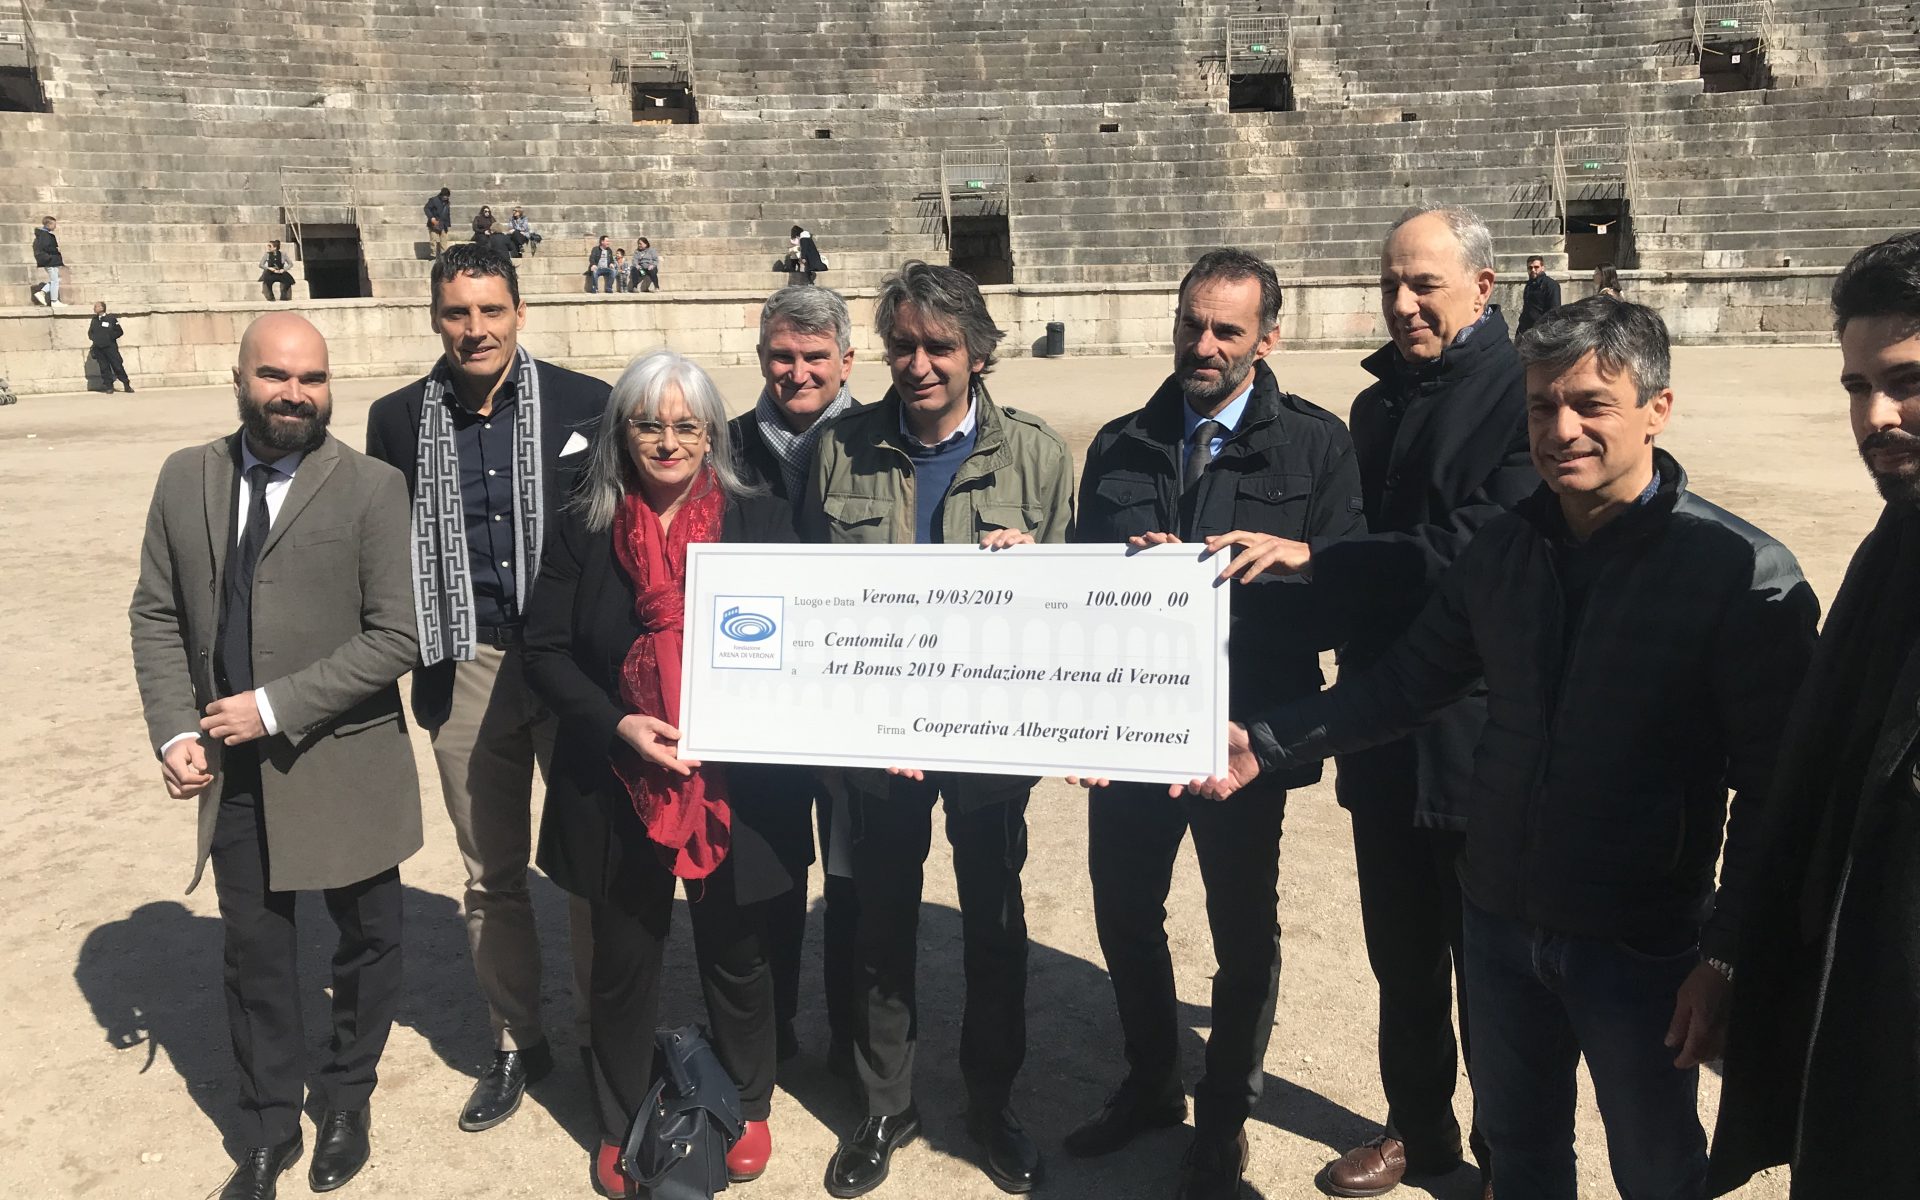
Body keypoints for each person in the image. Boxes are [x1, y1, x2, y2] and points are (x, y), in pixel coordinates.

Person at [1188, 296, 1818, 1200]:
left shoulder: (1739, 573)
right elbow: (1407, 685)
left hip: (1639, 941)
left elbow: (1777, 792)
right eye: (1541, 406)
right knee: (1520, 1157)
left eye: (1591, 405)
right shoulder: (1503, 550)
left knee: (1656, 1168)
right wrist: (1265, 741)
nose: (1560, 431)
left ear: (1658, 409)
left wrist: (1724, 958)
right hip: (1498, 919)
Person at [1203, 205, 1534, 1199]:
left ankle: (1511, 1158)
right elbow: (1352, 557)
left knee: (1492, 970)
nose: (1403, 302)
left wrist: (1319, 558)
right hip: (1381, 725)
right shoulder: (1377, 404)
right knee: (1402, 957)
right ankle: (1420, 1134)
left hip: (1478, 725)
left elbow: (1479, 548)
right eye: (1391, 283)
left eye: (1424, 283)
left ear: (1483, 286)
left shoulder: (1522, 392)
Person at [1065, 248, 1364, 1200]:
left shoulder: (1317, 445)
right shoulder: (1120, 443)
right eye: (1192, 324)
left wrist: (1290, 560)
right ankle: (1153, 1082)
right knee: (1124, 913)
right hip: (1131, 727)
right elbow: (1075, 591)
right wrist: (1135, 574)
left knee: (1241, 930)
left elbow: (1353, 594)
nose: (1204, 345)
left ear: (1267, 338)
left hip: (1242, 737)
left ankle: (1224, 1116)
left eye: (1227, 330)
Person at [128, 312, 423, 1200]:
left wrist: (271, 707)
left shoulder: (372, 487)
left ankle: (347, 1099)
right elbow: (157, 614)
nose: (295, 394)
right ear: (239, 379)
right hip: (235, 770)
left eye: (312, 378)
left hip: (343, 759)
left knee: (368, 941)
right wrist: (176, 729)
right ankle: (266, 1126)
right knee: (254, 952)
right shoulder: (185, 477)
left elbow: (398, 635)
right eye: (275, 375)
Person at [800, 260, 1074, 1199]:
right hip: (879, 744)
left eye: (939, 346)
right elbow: (814, 596)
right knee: (880, 921)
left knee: (994, 922)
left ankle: (992, 1103)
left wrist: (1034, 569)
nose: (918, 364)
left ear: (979, 354)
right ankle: (887, 1104)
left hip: (990, 742)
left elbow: (1069, 610)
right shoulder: (839, 451)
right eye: (903, 345)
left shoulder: (1037, 456)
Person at [524, 349, 804, 1198]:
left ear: (712, 434)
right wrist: (619, 723)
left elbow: (805, 639)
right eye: (649, 424)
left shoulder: (759, 517)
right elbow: (544, 652)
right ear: (623, 432)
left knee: (738, 951)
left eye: (687, 425)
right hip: (621, 774)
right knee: (623, 960)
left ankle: (749, 1103)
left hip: (732, 782)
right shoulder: (584, 522)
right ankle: (619, 1120)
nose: (669, 441)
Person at [364, 243, 608, 1134]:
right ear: (435, 318)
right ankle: (517, 1040)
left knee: (589, 865)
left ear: (520, 313)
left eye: (491, 310)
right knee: (488, 874)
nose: (475, 329)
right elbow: (383, 548)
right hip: (464, 660)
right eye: (458, 312)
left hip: (570, 663)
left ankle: (601, 1038)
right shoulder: (397, 420)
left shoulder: (587, 403)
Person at [1710, 232, 1920, 1198]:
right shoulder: (1896, 539)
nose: (1876, 417)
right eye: (1856, 387)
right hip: (1868, 1034)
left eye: (1907, 382)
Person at [729, 284, 862, 1072]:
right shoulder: (724, 447)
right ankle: (770, 1032)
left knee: (854, 883)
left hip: (853, 707)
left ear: (848, 360)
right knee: (770, 877)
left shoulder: (885, 443)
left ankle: (851, 1043)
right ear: (761, 358)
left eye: (816, 356)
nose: (798, 371)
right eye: (783, 355)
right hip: (761, 708)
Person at [88, 300, 133, 393]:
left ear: (102, 308)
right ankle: (109, 386)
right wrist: (94, 339)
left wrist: (110, 337)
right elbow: (90, 332)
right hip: (99, 348)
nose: (94, 308)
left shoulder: (111, 318)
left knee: (117, 366)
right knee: (104, 367)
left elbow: (119, 331)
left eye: (96, 306)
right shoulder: (94, 320)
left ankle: (126, 384)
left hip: (110, 347)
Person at [1515, 255, 1562, 336]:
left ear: (1542, 268)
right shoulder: (1529, 285)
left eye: (1536, 267)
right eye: (1530, 268)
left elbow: (1554, 311)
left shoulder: (1551, 285)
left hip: (1541, 332)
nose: (1533, 270)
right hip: (1525, 330)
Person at [32, 215, 64, 306]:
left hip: (50, 260)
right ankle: (54, 301)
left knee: (56, 279)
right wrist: (56, 251)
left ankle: (42, 293)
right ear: (48, 224)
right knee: (55, 281)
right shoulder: (44, 235)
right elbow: (46, 247)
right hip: (50, 260)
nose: (55, 226)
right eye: (54, 224)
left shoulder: (43, 235)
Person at [425, 187, 452, 259]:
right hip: (434, 223)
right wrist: (431, 217)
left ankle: (443, 255)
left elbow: (447, 213)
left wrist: (448, 224)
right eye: (445, 196)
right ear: (442, 195)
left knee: (444, 240)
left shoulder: (447, 202)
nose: (446, 197)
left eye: (447, 196)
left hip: (444, 223)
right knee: (433, 239)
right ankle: (433, 254)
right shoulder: (433, 200)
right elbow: (426, 208)